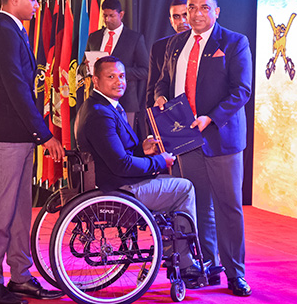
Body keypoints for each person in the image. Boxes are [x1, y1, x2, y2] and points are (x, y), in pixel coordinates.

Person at [154, 0, 253, 297]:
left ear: (216, 11)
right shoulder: (174, 44)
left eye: (204, 8)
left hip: (221, 137)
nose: (196, 14)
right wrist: (160, 97)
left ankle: (235, 273)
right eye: (191, 8)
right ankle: (205, 266)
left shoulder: (234, 42)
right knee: (194, 206)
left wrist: (211, 117)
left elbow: (242, 90)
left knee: (228, 207)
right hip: (184, 138)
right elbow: (163, 81)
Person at [0, 0, 65, 304]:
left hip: (19, 134)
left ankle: (20, 277)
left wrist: (36, 133)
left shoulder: (15, 31)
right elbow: (16, 90)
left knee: (19, 212)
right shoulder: (3, 32)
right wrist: (45, 135)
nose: (37, 5)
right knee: (1, 212)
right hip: (5, 133)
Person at [75, 55, 202, 276]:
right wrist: (160, 161)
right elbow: (121, 165)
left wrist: (143, 149)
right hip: (118, 190)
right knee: (184, 188)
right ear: (95, 80)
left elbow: (115, 153)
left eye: (122, 76)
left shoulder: (102, 107)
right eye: (111, 77)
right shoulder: (100, 114)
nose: (119, 82)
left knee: (172, 184)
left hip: (116, 182)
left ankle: (172, 251)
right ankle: (184, 263)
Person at [85, 0, 149, 127]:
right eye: (105, 16)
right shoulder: (94, 37)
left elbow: (145, 70)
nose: (107, 20)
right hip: (97, 101)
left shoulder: (134, 38)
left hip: (125, 101)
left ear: (121, 14)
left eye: (111, 16)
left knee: (124, 138)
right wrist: (87, 68)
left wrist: (118, 73)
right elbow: (82, 66)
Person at [146, 0, 190, 108]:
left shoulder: (204, 43)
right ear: (171, 21)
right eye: (176, 17)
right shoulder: (159, 47)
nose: (182, 21)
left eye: (185, 15)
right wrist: (150, 115)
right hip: (169, 110)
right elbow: (152, 85)